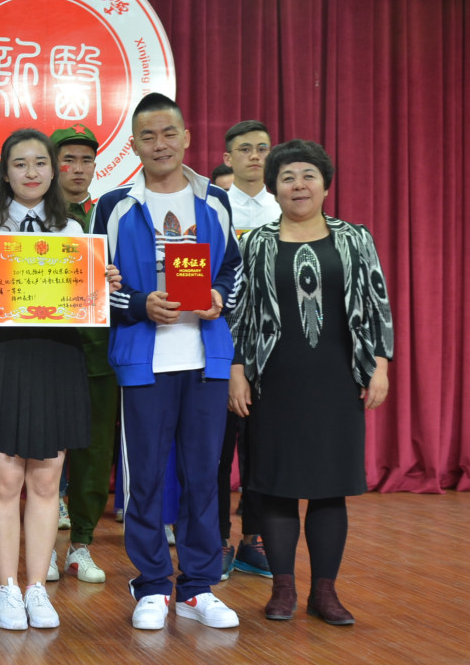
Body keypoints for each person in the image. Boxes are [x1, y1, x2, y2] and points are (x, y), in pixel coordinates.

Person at [0, 128, 120, 631]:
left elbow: (89, 304)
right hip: (1, 354)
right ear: (5, 173)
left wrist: (105, 285)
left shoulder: (73, 230)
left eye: (40, 163)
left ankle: (36, 590)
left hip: (56, 355)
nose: (31, 172)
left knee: (47, 480)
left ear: (54, 171)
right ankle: (7, 589)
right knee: (6, 478)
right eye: (20, 163)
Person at [92, 93, 242, 631]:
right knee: (146, 478)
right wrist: (138, 303)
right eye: (148, 136)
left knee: (204, 476)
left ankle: (197, 587)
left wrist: (218, 297)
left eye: (169, 133)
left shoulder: (215, 200)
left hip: (205, 358)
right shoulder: (114, 205)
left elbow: (232, 271)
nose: (160, 145)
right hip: (143, 360)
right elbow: (93, 283)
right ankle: (152, 583)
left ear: (186, 138)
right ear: (133, 144)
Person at [228, 139, 392, 625]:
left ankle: (325, 593)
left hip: (337, 379)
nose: (298, 185)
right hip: (273, 380)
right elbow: (241, 314)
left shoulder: (355, 238)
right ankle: (282, 589)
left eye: (308, 176)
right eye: (287, 178)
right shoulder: (255, 242)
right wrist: (237, 370)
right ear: (273, 187)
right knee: (276, 486)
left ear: (325, 184)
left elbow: (377, 302)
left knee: (329, 487)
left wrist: (380, 365)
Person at [49, 123, 118, 584]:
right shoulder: (34, 216)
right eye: (67, 160)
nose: (78, 169)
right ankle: (40, 549)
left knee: (94, 454)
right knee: (41, 454)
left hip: (100, 351)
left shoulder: (110, 214)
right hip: (46, 351)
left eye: (86, 160)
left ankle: (81, 545)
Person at [218, 120, 283, 580]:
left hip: (272, 348)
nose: (255, 156)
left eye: (262, 148)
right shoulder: (213, 207)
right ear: (228, 158)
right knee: (216, 452)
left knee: (264, 450)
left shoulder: (285, 208)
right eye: (245, 149)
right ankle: (217, 538)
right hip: (220, 340)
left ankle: (253, 538)